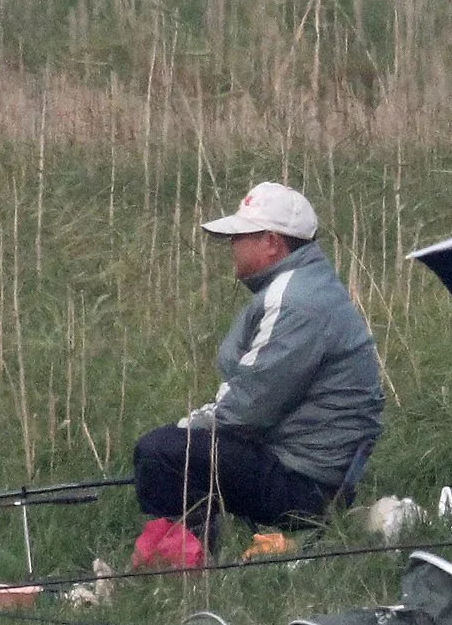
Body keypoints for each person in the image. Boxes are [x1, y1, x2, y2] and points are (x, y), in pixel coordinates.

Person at [133, 182, 384, 558]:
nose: (232, 246)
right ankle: (194, 551)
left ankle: (182, 563)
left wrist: (188, 427)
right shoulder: (309, 287)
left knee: (161, 452)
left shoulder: (295, 300)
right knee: (179, 448)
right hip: (316, 470)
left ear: (271, 242)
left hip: (307, 484)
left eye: (240, 236)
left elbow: (249, 405)